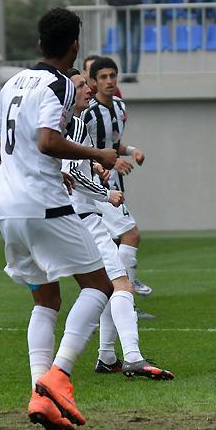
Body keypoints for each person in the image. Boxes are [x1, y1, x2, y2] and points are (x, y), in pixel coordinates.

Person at [0, 7, 117, 430]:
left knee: (46, 301)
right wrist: (98, 154)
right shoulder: (58, 83)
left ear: (41, 42)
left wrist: (30, 166)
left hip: (5, 208)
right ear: (75, 46)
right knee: (99, 285)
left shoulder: (11, 83)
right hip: (43, 206)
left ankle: (40, 396)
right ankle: (58, 376)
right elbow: (47, 140)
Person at [63, 68, 174, 381]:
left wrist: (95, 164)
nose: (88, 88)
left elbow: (71, 164)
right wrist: (106, 193)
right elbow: (72, 174)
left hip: (66, 217)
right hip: (82, 216)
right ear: (67, 94)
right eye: (81, 85)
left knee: (101, 289)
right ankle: (132, 358)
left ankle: (106, 357)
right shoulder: (74, 124)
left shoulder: (65, 124)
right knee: (119, 284)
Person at [82, 57, 154, 305]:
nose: (109, 81)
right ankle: (124, 297)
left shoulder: (120, 107)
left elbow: (112, 143)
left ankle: (115, 295)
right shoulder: (88, 113)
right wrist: (107, 163)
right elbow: (81, 147)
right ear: (93, 81)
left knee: (112, 241)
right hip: (95, 183)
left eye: (112, 75)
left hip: (113, 183)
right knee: (130, 235)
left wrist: (132, 151)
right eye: (103, 77)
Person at [106, 0, 142, 80]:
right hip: (121, 17)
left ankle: (133, 75)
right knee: (121, 46)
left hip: (135, 17)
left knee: (135, 46)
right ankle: (125, 74)